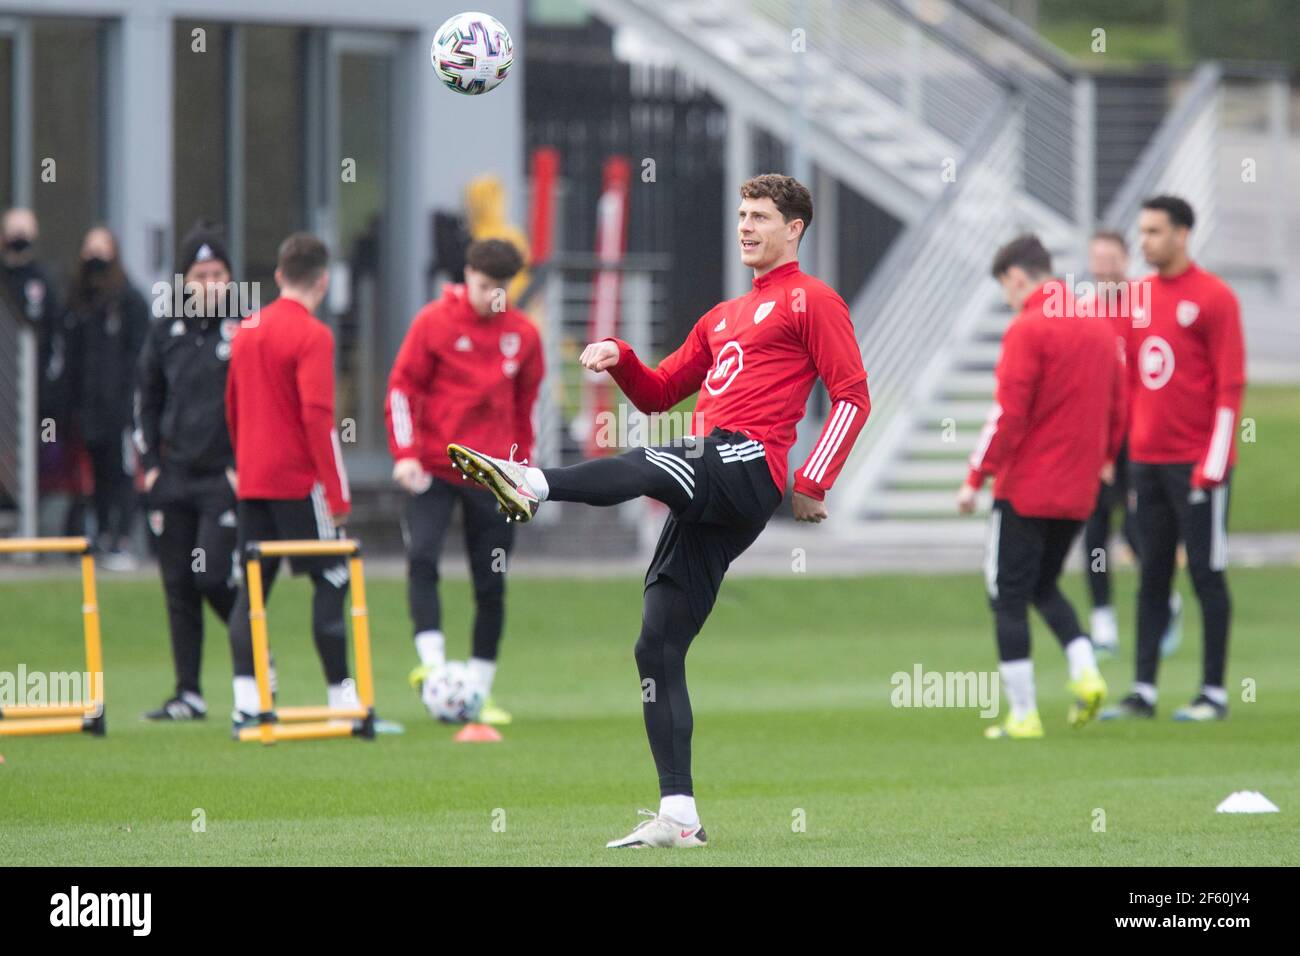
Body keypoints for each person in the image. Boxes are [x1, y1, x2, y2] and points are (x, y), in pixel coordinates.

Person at [447, 174, 870, 848]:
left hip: (746, 463)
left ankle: (532, 482)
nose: (745, 226)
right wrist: (621, 358)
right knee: (658, 642)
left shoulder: (813, 300)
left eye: (760, 216)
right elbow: (659, 393)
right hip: (713, 479)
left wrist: (814, 479)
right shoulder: (722, 316)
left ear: (794, 228)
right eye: (740, 215)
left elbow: (851, 395)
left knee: (662, 458)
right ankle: (679, 813)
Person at [959, 234, 1124, 740]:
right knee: (1042, 585)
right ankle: (1087, 672)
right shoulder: (1099, 327)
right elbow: (1120, 407)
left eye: (1007, 291)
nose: (1010, 300)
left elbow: (1008, 413)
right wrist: (1105, 459)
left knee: (1005, 592)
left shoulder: (1028, 328)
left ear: (1016, 278)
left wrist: (975, 475)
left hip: (1027, 487)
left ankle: (1024, 713)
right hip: (1078, 491)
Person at [386, 239, 542, 724]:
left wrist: (522, 472)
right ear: (466, 277)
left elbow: (524, 408)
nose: (491, 297)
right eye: (482, 286)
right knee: (423, 558)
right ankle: (433, 670)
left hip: (495, 476)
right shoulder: (433, 322)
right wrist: (405, 454)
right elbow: (401, 388)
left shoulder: (524, 334)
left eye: (501, 288)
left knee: (491, 583)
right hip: (432, 467)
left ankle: (479, 688)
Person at [1104, 196, 1245, 722]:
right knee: (1152, 576)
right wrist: (1122, 451)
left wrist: (1213, 464)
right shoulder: (1135, 298)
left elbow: (1230, 386)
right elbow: (1129, 382)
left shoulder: (1215, 298)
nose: (1144, 241)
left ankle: (1213, 692)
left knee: (1207, 573)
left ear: (1182, 234)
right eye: (1141, 231)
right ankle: (1142, 689)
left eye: (1155, 231)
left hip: (1198, 466)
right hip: (1147, 462)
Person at [224, 233, 353, 734]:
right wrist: (337, 496)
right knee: (334, 578)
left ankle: (246, 701)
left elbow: (232, 408)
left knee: (250, 591)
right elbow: (318, 418)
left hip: (253, 481)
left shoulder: (246, 329)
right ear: (322, 281)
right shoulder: (314, 336)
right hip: (300, 483)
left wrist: (244, 461)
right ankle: (342, 697)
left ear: (279, 276)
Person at [134, 222, 241, 720]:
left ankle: (255, 650)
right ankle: (189, 694)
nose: (210, 283)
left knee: (213, 575)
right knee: (178, 582)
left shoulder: (247, 327)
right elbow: (146, 402)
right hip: (174, 476)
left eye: (219, 273)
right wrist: (151, 468)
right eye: (200, 274)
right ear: (184, 280)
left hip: (223, 476)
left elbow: (261, 404)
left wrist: (243, 468)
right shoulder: (165, 330)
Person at [1077, 231, 1182, 661]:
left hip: (1138, 437)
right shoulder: (1084, 312)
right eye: (1097, 260)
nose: (1104, 269)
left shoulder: (1143, 306)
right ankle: (1103, 622)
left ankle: (1164, 603)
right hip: (1099, 438)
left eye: (1111, 260)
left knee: (1139, 528)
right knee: (1094, 527)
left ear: (1125, 261)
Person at [65, 226, 150, 568]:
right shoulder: (79, 302)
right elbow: (73, 357)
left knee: (123, 473)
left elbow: (138, 356)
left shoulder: (129, 300)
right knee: (98, 474)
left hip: (123, 407)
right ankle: (101, 533)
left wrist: (132, 399)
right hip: (90, 408)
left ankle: (123, 539)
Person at [0, 207, 79, 535]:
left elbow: (56, 342)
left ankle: (27, 530)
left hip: (30, 399)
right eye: (13, 230)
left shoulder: (43, 282)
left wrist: (48, 395)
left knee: (32, 463)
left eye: (25, 231)